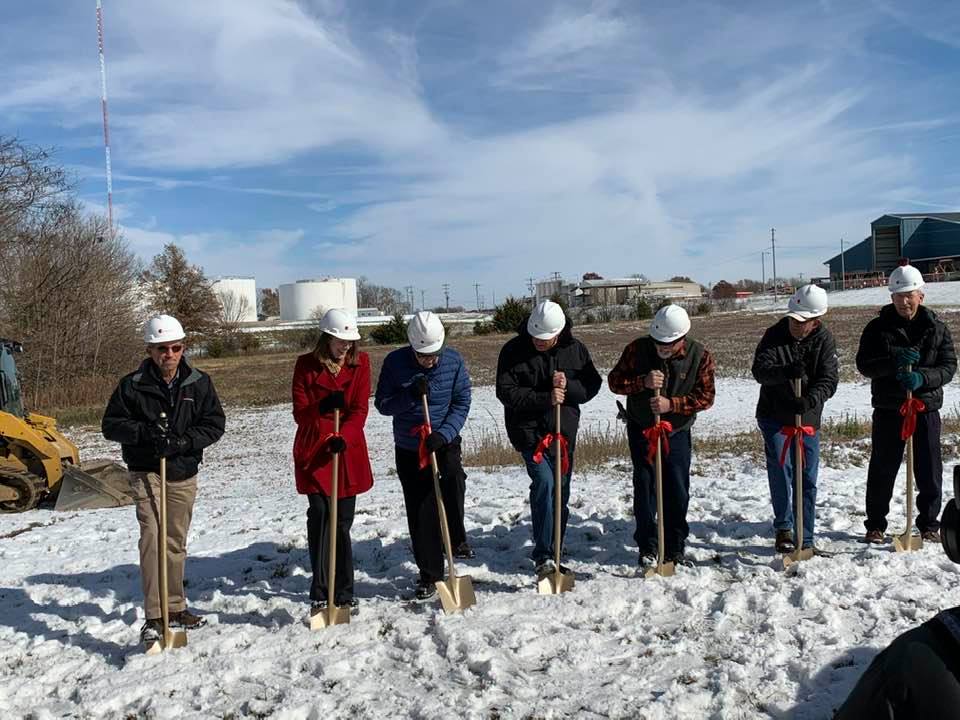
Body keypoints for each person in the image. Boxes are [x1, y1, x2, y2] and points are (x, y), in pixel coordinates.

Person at [102, 314, 225, 646]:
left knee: (173, 541)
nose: (168, 355)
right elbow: (110, 425)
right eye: (161, 349)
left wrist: (184, 442)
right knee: (153, 536)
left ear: (183, 348)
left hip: (183, 470)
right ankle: (155, 616)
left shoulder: (198, 382)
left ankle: (176, 607)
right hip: (147, 470)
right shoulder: (132, 384)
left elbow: (215, 424)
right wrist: (143, 432)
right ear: (150, 350)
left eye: (174, 347)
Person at [496, 300, 601, 579]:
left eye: (546, 338)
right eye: (536, 337)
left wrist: (569, 388)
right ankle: (543, 555)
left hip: (563, 433)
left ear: (559, 332)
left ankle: (556, 548)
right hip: (529, 432)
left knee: (561, 491)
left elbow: (593, 385)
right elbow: (505, 391)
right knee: (544, 483)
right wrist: (546, 397)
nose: (540, 342)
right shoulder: (513, 350)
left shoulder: (575, 349)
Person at [856, 261, 957, 544]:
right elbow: (864, 364)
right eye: (899, 296)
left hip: (924, 407)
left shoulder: (937, 328)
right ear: (892, 298)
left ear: (920, 296)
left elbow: (949, 366)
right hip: (889, 408)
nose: (904, 301)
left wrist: (923, 378)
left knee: (929, 468)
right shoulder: (877, 328)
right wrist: (894, 364)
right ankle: (875, 524)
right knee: (882, 467)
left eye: (909, 295)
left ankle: (928, 524)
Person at [374, 311, 472, 600]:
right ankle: (430, 574)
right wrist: (409, 396)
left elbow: (462, 400)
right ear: (412, 348)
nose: (431, 360)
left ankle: (456, 538)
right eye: (424, 356)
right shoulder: (394, 363)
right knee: (421, 508)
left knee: (453, 480)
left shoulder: (453, 361)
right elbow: (383, 404)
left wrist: (444, 434)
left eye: (435, 354)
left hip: (444, 438)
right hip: (409, 445)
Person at [608, 304, 715, 567]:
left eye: (669, 343)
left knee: (676, 489)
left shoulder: (700, 355)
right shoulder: (637, 349)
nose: (663, 348)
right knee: (645, 487)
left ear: (682, 338)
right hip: (641, 428)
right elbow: (614, 381)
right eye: (658, 343)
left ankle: (674, 546)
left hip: (676, 431)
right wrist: (641, 383)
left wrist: (672, 405)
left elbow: (706, 397)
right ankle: (648, 546)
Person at [292, 308, 373, 616]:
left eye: (350, 342)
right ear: (326, 339)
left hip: (346, 449)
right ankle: (320, 590)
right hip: (316, 450)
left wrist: (346, 436)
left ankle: (344, 590)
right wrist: (322, 405)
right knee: (321, 515)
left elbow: (360, 409)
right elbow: (300, 413)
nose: (346, 348)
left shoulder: (361, 363)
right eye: (340, 342)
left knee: (341, 523)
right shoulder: (305, 366)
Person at [751, 284, 838, 553]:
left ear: (816, 321)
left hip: (807, 418)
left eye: (803, 321)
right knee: (781, 470)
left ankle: (807, 536)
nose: (796, 325)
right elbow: (760, 371)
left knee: (807, 477)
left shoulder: (824, 340)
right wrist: (786, 372)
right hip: (774, 416)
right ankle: (784, 528)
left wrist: (809, 400)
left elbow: (828, 380)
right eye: (793, 318)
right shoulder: (774, 335)